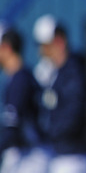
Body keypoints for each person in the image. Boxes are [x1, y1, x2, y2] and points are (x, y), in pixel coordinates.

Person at [32, 14, 86, 173]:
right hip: (59, 155)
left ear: (59, 41)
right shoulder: (52, 74)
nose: (42, 52)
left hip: (74, 156)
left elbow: (73, 115)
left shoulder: (74, 72)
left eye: (46, 46)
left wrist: (47, 132)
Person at [0, 25, 47, 173]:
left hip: (30, 158)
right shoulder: (20, 77)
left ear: (6, 48)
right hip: (29, 155)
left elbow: (12, 128)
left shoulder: (20, 81)